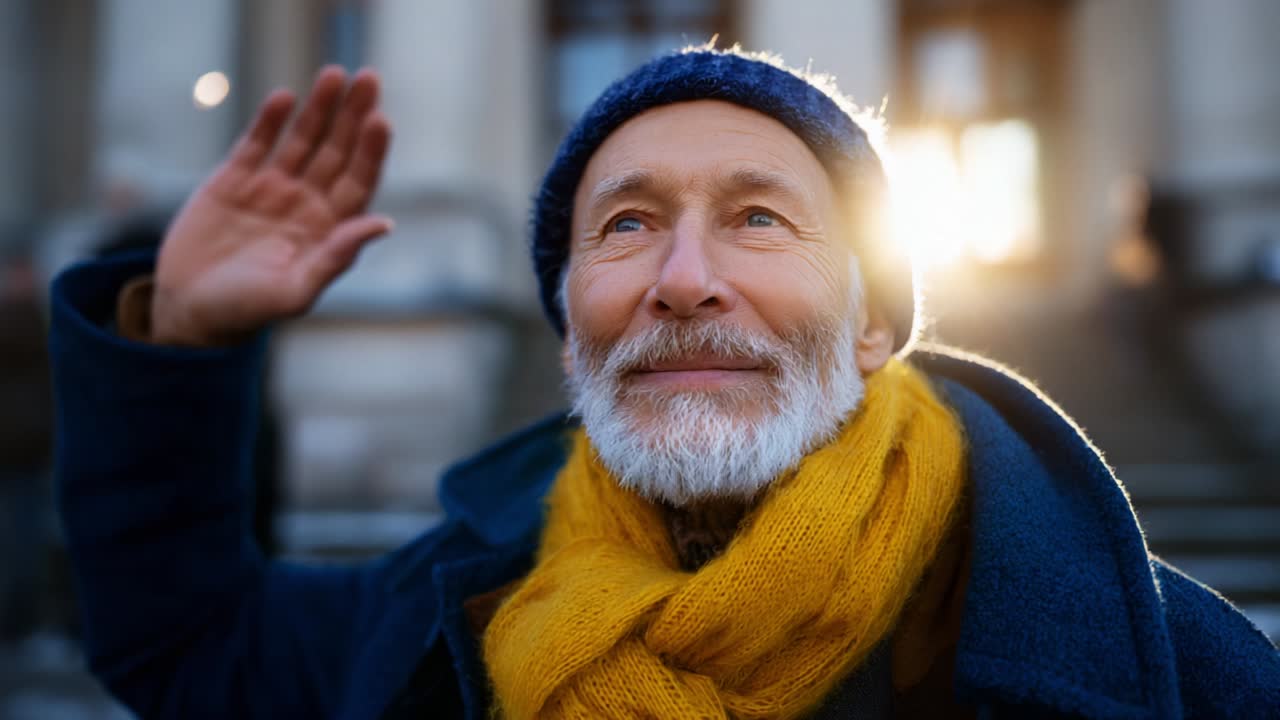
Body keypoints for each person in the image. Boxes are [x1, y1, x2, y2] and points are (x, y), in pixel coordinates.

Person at [48, 48, 1278, 720]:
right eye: (627, 226)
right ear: (571, 336)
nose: (683, 281)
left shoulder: (1173, 668)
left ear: (871, 324)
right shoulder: (436, 607)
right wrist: (180, 336)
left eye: (755, 218)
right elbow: (182, 640)